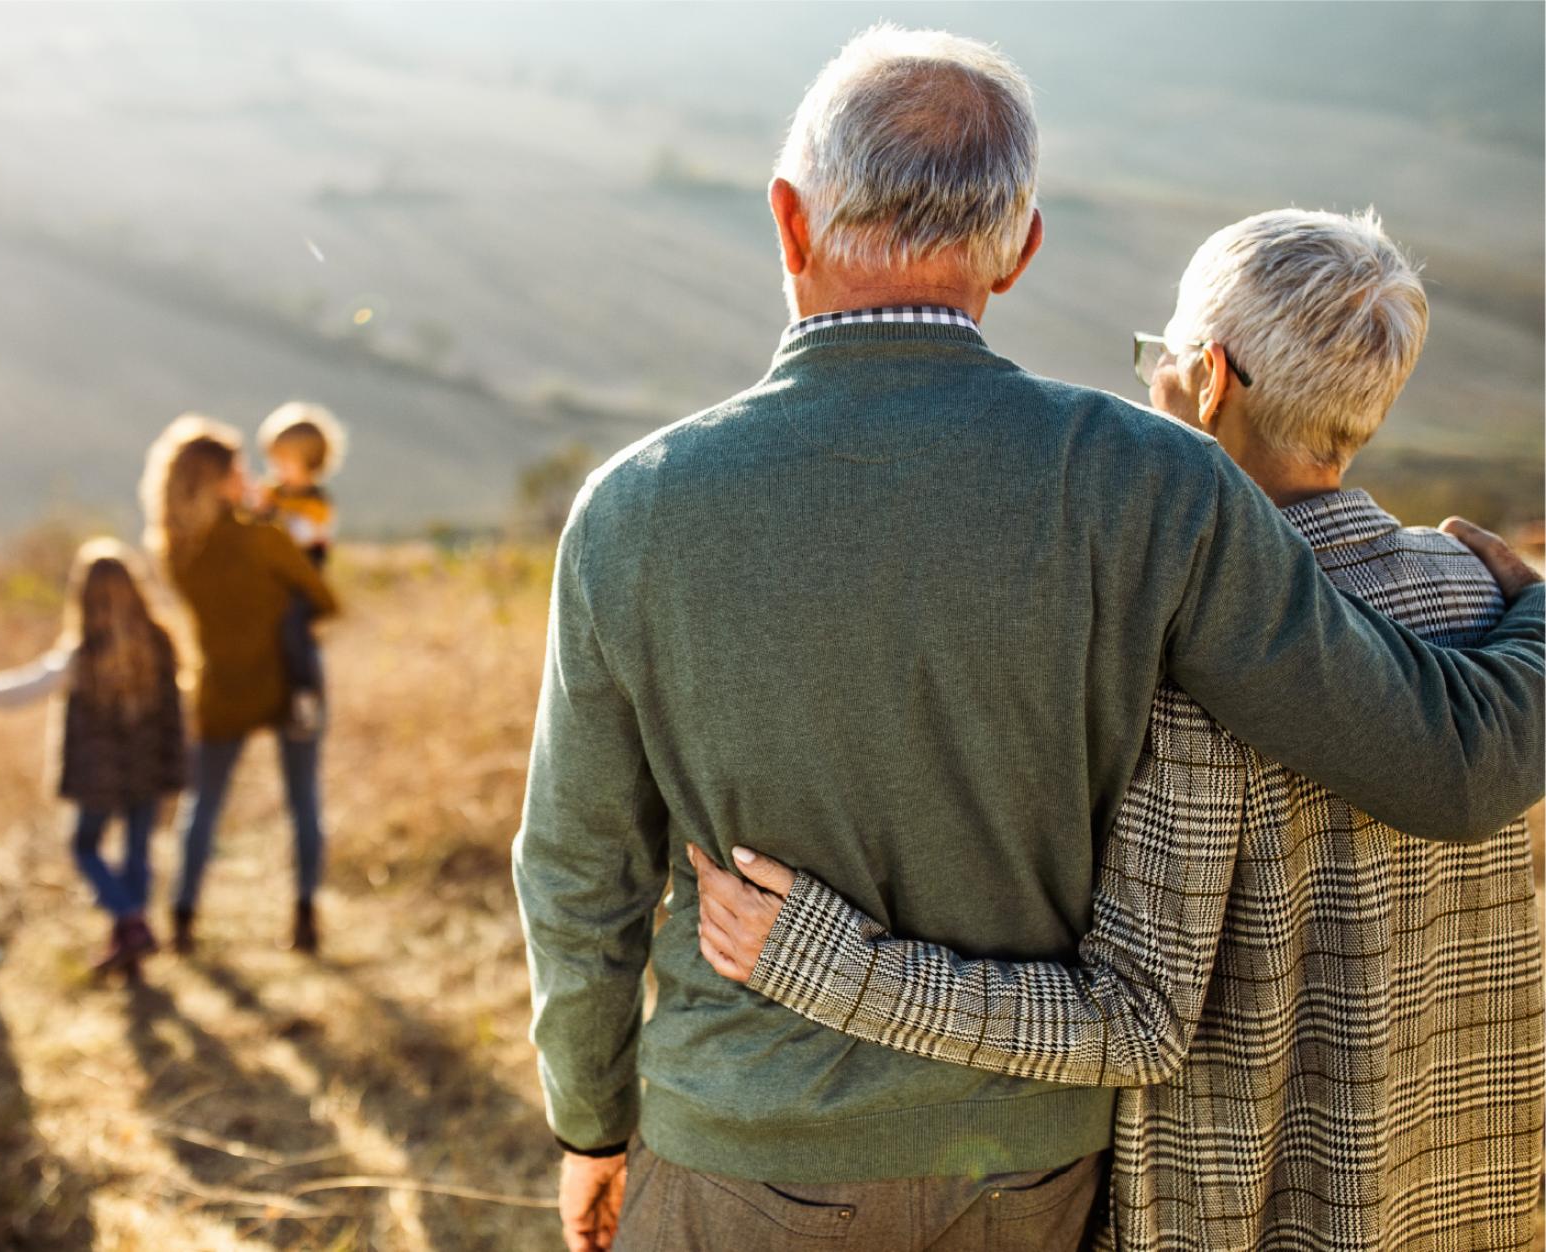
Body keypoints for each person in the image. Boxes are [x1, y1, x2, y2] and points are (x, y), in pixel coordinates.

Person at [510, 27, 1545, 1252]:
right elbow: (1441, 759)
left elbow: (581, 875)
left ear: (789, 222)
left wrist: (591, 1123)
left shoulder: (636, 504)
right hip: (1033, 1168)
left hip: (742, 1150)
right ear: (1019, 250)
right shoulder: (1151, 482)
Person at [141, 415, 339, 957]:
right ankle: (304, 915)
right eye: (239, 468)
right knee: (303, 800)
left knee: (201, 805)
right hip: (289, 679)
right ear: (221, 479)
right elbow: (324, 597)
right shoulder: (262, 538)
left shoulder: (174, 550)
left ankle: (182, 917)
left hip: (221, 684)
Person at [0, 539, 187, 980]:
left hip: (98, 776)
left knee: (85, 846)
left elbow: (26, 688)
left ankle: (130, 921)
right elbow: (176, 714)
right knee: (136, 855)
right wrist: (176, 766)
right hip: (148, 769)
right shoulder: (160, 642)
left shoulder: (82, 651)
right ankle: (130, 940)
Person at [255, 401, 347, 740]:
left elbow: (303, 537)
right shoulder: (273, 494)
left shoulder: (317, 503)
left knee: (294, 628)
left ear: (309, 462)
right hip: (272, 582)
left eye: (283, 460)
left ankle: (304, 694)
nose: (275, 468)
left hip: (302, 585)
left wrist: (270, 517)